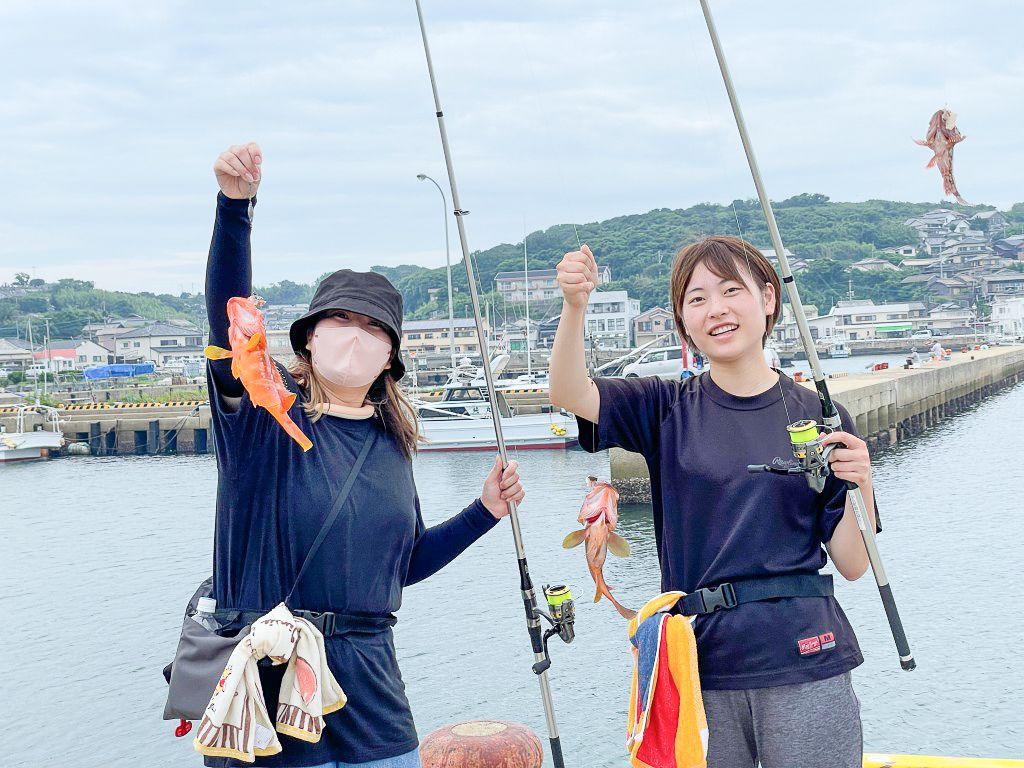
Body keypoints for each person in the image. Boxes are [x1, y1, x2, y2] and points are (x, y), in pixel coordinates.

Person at [203, 142, 525, 768]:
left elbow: (401, 567)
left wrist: (484, 512)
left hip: (371, 689)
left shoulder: (391, 448)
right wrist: (235, 208)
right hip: (268, 680)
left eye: (373, 328)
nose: (356, 335)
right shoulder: (265, 418)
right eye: (340, 320)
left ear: (390, 359)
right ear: (309, 337)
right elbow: (229, 320)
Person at [549, 236, 878, 768]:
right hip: (699, 663)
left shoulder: (822, 415)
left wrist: (861, 482)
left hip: (806, 655)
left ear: (768, 299)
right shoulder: (664, 407)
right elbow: (568, 392)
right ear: (683, 320)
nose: (716, 309)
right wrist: (574, 307)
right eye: (697, 299)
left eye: (731, 290)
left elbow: (855, 563)